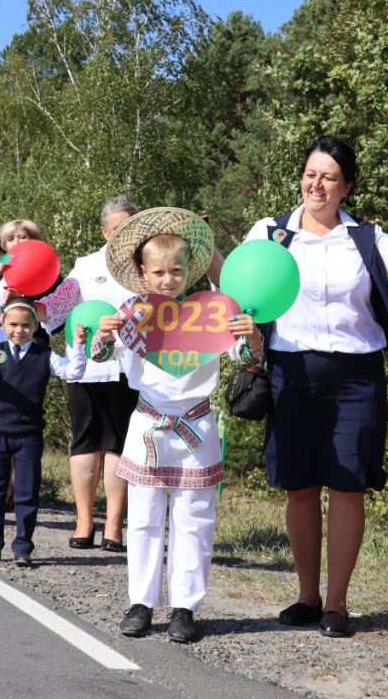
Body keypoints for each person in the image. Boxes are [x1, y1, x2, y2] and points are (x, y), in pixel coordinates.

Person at [243, 135, 388, 638]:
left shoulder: (367, 238)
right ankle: (307, 598)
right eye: (310, 174)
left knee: (347, 486)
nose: (317, 185)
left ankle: (336, 604)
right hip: (291, 373)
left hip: (357, 377)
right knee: (299, 486)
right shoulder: (270, 234)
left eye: (329, 177)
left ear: (347, 187)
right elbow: (241, 292)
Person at [92, 208, 262, 644]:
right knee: (144, 517)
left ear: (191, 270)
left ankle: (185, 607)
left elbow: (244, 356)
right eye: (158, 272)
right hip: (149, 424)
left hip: (196, 426)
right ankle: (141, 602)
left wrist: (253, 336)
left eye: (176, 271)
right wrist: (101, 337)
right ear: (142, 272)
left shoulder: (213, 311)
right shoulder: (133, 313)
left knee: (195, 518)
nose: (167, 280)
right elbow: (103, 357)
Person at [38, 196, 139, 551]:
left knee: (119, 446)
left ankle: (114, 525)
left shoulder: (147, 264)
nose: (124, 234)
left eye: (130, 226)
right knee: (86, 443)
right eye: (117, 228)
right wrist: (33, 302)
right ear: (104, 232)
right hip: (87, 368)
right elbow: (57, 305)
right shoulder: (86, 265)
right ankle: (84, 521)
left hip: (130, 368)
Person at [0, 301, 88, 566]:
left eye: (26, 325)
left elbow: (72, 372)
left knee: (26, 491)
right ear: (2, 323)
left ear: (35, 326)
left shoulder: (44, 354)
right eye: (13, 324)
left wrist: (79, 346)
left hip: (28, 434)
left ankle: (23, 546)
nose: (19, 330)